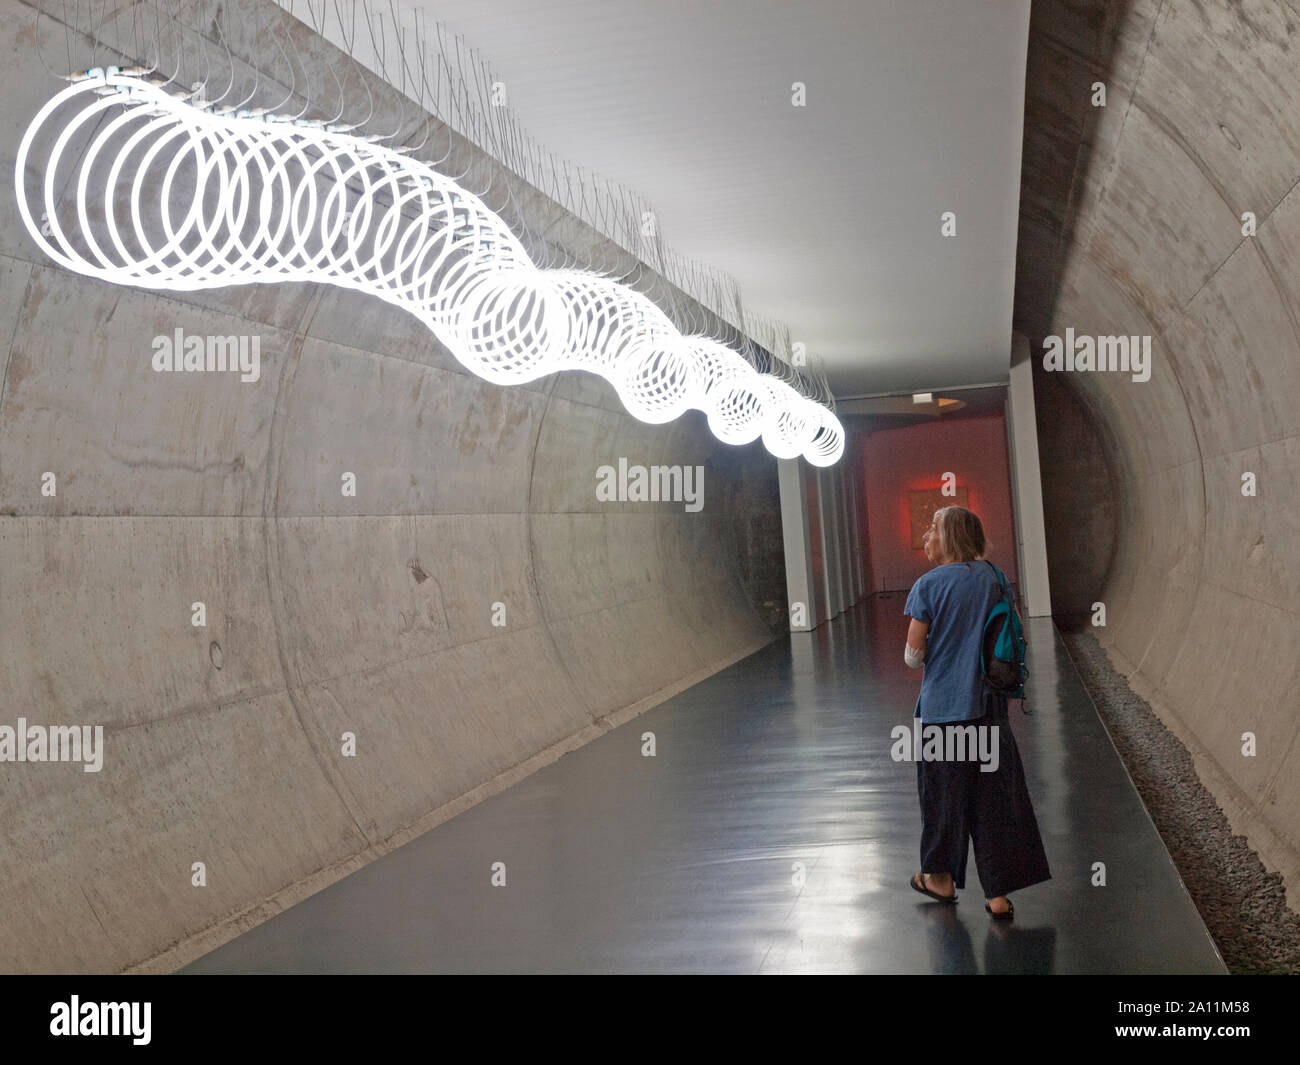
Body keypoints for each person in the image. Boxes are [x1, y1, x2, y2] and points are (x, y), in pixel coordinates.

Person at [902, 505, 1050, 919]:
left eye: (932, 528)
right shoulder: (996, 578)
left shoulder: (927, 585)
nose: (926, 534)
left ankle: (940, 880)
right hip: (990, 708)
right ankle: (998, 895)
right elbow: (1013, 631)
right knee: (995, 802)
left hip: (943, 712)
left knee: (944, 800)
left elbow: (913, 657)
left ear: (948, 537)